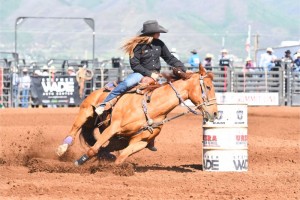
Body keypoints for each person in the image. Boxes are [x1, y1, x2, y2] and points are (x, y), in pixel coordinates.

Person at [95, 20, 190, 151]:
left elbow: (170, 58)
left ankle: (150, 137)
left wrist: (180, 67)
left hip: (155, 76)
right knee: (126, 84)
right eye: (158, 32)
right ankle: (103, 104)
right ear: (152, 33)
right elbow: (135, 64)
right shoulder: (137, 45)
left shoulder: (160, 45)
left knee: (159, 101)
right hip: (140, 73)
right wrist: (149, 74)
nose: (159, 34)